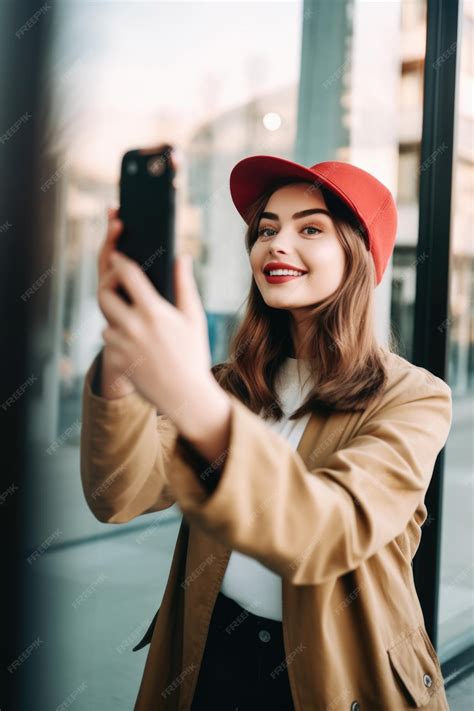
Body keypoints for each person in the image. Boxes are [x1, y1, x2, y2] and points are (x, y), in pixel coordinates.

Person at [80, 154, 453, 710]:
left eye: (310, 228)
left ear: (359, 256)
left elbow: (328, 531)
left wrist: (197, 402)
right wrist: (123, 357)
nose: (276, 245)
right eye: (266, 230)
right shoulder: (231, 387)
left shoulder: (413, 397)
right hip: (211, 656)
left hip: (337, 674)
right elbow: (118, 493)